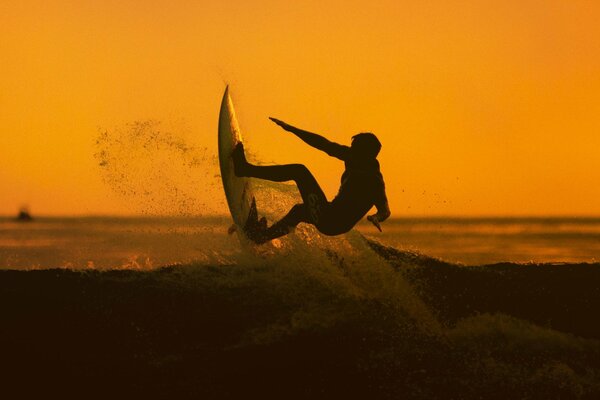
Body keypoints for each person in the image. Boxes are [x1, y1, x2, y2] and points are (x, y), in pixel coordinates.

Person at [232, 117, 391, 244]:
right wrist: (293, 129)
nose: (350, 152)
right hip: (329, 212)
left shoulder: (373, 181)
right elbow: (324, 144)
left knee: (299, 171)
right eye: (352, 148)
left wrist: (376, 217)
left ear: (367, 155)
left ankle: (245, 169)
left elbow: (385, 210)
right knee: (299, 211)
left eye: (355, 150)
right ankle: (262, 236)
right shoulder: (353, 157)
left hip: (332, 222)